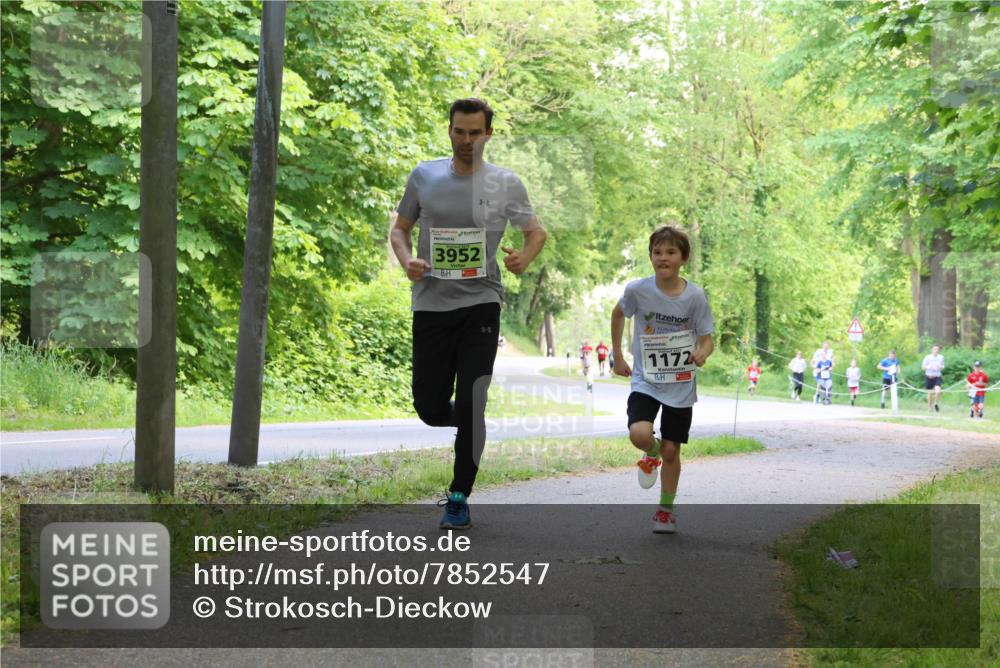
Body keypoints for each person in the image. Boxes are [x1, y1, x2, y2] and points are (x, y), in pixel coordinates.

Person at [390, 98, 547, 530]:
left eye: (475, 132)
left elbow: (536, 233)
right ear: (449, 131)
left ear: (488, 134)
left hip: (481, 302)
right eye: (459, 131)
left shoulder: (506, 184)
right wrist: (407, 260)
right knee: (428, 406)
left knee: (473, 397)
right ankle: (471, 422)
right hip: (431, 303)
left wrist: (524, 258)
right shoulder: (424, 176)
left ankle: (458, 496)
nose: (466, 140)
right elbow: (400, 230)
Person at [611, 225, 714, 534]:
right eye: (657, 252)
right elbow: (618, 314)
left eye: (671, 252)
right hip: (646, 379)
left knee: (672, 450)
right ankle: (651, 452)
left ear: (683, 258)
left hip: (680, 383)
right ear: (650, 257)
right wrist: (618, 354)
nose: (663, 257)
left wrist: (702, 353)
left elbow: (707, 339)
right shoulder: (637, 290)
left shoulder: (695, 297)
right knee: (639, 434)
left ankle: (665, 511)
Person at [922, 344, 945, 412]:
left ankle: (936, 403)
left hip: (937, 376)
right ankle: (929, 407)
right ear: (932, 350)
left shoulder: (941, 357)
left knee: (938, 391)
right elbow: (923, 367)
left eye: (937, 349)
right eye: (935, 349)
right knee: (930, 394)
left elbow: (943, 366)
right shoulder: (927, 357)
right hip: (929, 376)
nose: (936, 350)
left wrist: (940, 367)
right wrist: (928, 367)